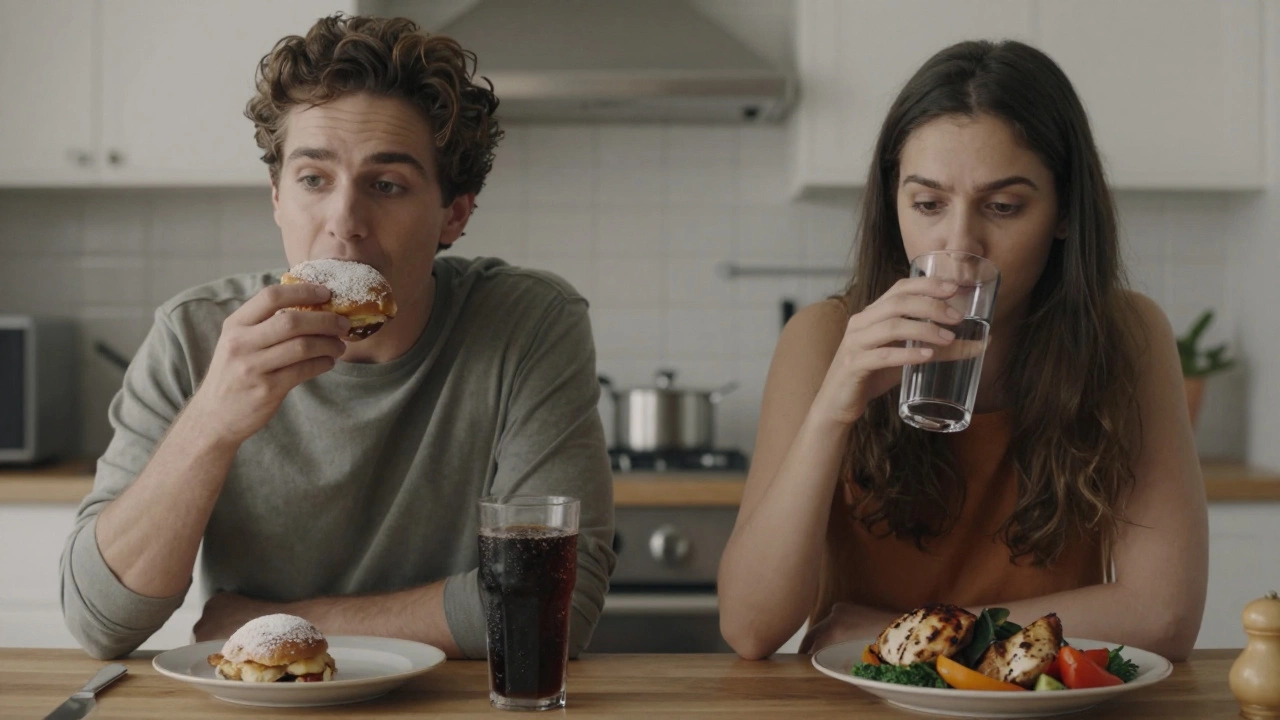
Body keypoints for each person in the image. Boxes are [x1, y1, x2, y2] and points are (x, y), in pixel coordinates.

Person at [60, 14, 615, 660]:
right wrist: (210, 423)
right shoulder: (194, 335)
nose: (344, 222)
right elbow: (100, 622)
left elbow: (553, 609)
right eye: (313, 179)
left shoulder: (529, 325)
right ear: (275, 196)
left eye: (386, 185)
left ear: (453, 215)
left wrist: (277, 623)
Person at [716, 39, 1207, 662]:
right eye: (927, 204)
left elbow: (1162, 615)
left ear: (1064, 212)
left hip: (1043, 704)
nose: (958, 244)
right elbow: (750, 627)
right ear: (893, 202)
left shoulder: (1126, 335)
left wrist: (907, 633)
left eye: (1003, 206)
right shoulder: (822, 337)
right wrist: (833, 409)